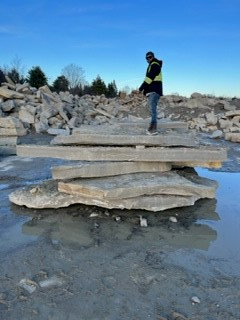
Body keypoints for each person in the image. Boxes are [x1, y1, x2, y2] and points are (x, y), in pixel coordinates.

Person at [139, 51, 163, 135]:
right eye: (146, 58)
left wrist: (141, 88)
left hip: (154, 91)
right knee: (152, 109)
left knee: (153, 110)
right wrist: (145, 91)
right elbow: (149, 80)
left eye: (149, 57)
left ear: (152, 57)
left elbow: (149, 78)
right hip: (152, 91)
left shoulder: (155, 65)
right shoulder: (151, 65)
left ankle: (153, 129)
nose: (148, 59)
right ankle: (153, 127)